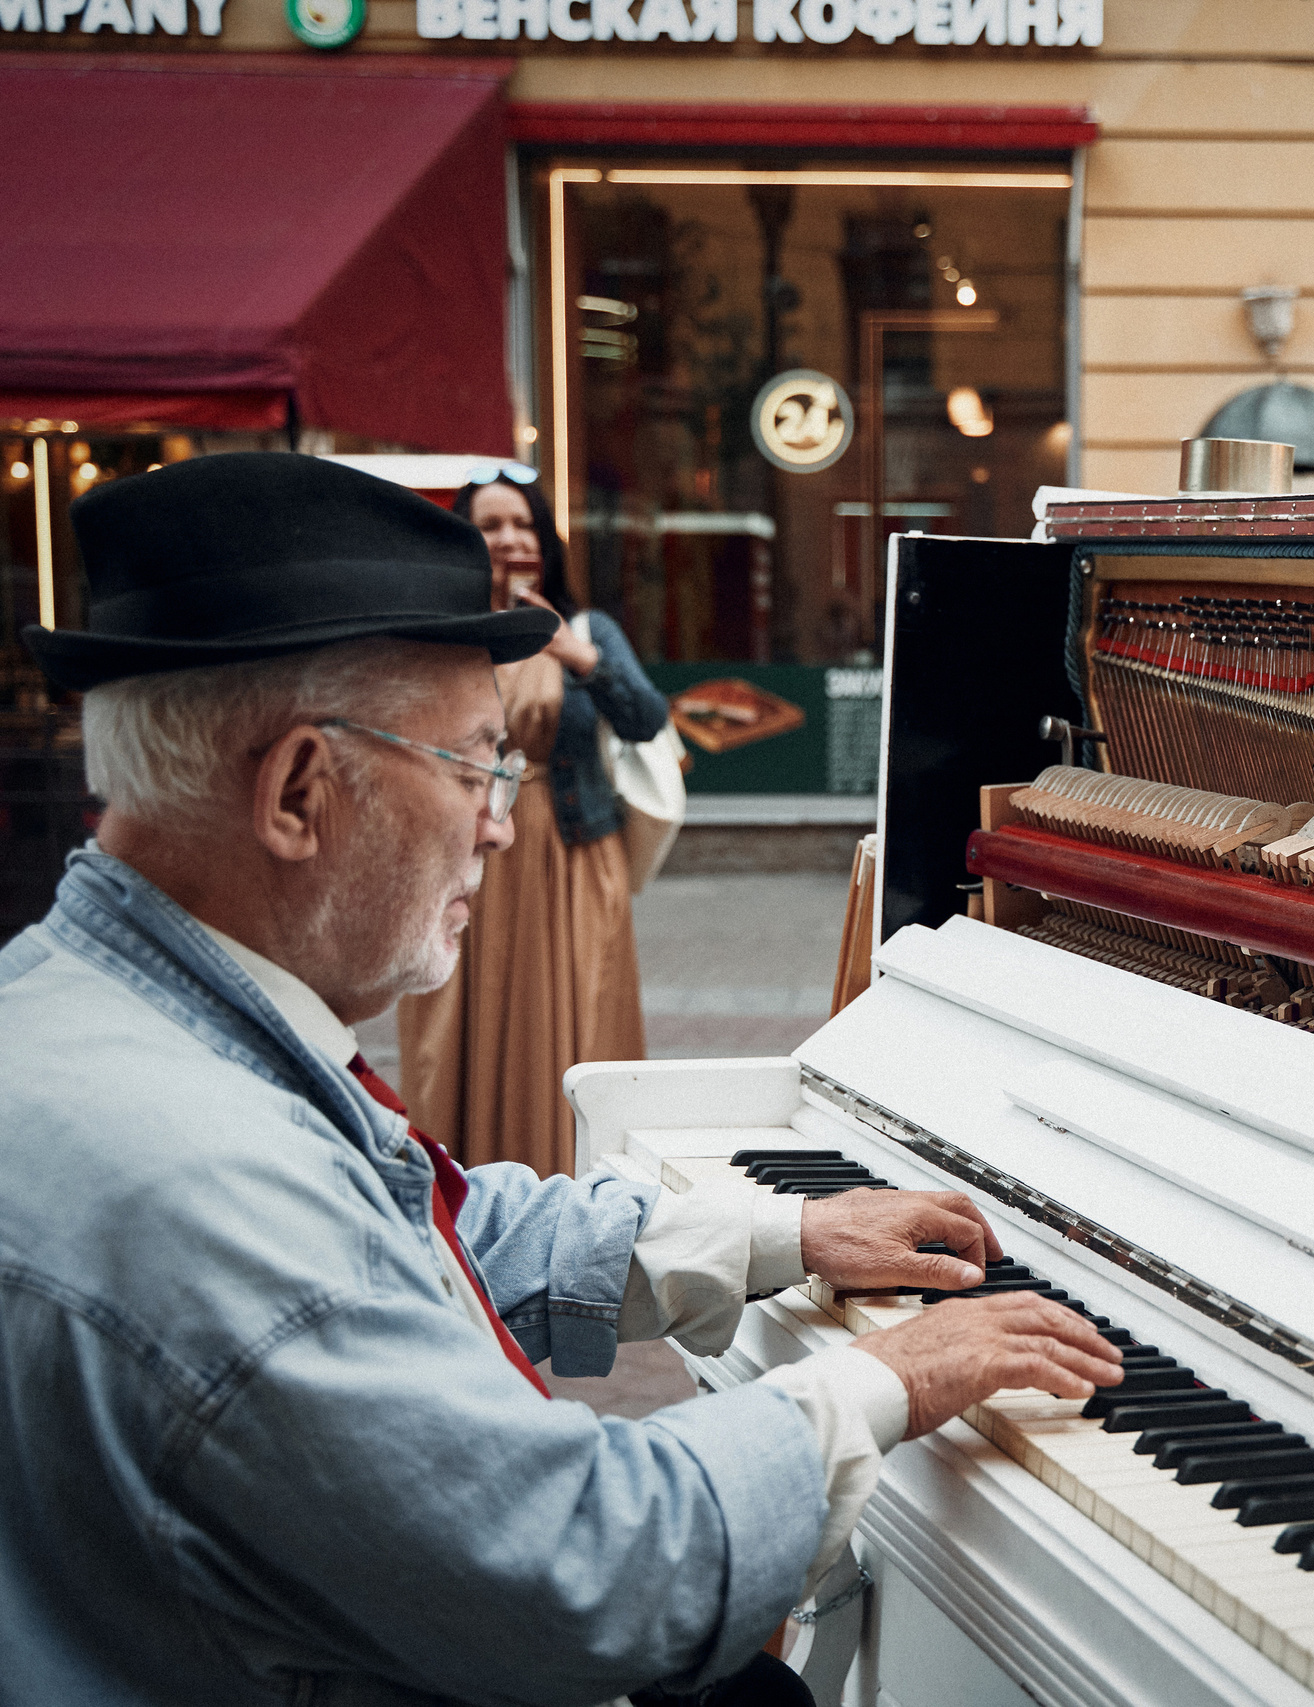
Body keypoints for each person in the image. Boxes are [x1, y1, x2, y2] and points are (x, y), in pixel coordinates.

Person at [0, 453, 1122, 1705]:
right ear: (300, 791)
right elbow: (598, 1568)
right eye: (477, 764)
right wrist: (891, 1375)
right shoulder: (197, 1186)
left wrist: (779, 1229)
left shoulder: (83, 1011)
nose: (497, 820)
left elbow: (424, 1235)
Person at [399, 462, 661, 1175]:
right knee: (464, 1027)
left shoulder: (584, 626)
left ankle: (579, 1185)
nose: (510, 538)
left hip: (571, 856)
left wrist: (577, 654)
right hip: (463, 851)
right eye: (490, 525)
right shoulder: (440, 632)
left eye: (523, 523)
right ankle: (467, 1185)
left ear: (546, 540)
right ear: (463, 540)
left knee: (578, 1024)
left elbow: (645, 717)